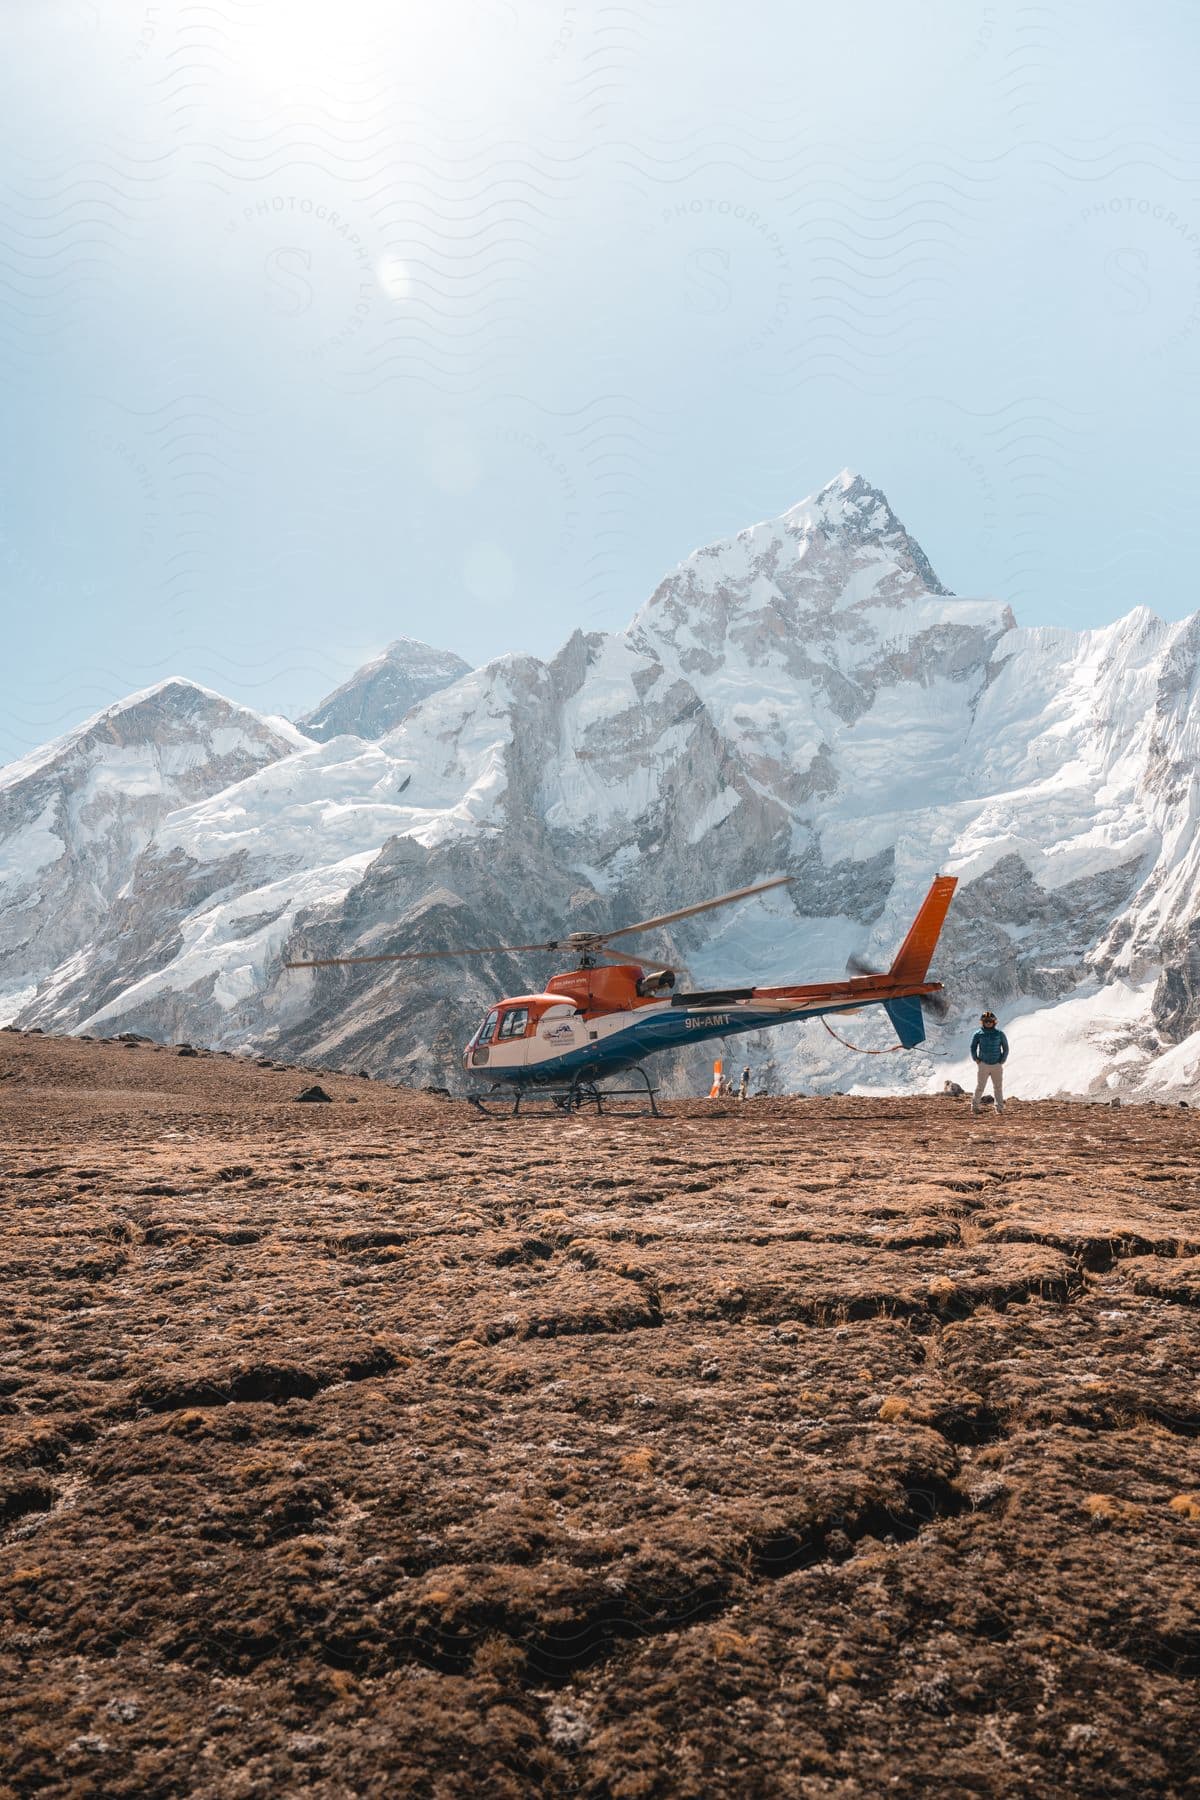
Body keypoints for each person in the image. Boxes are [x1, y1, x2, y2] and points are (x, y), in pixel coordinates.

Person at [970, 1010, 1009, 1115]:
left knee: (998, 1087)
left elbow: (1006, 1048)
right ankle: (974, 1107)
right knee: (980, 1086)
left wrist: (1002, 1060)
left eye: (990, 1021)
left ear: (994, 1022)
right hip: (983, 1064)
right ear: (982, 1022)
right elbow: (973, 1047)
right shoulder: (978, 1034)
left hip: (996, 1064)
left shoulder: (1000, 1034)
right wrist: (976, 1058)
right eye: (986, 1021)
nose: (988, 1023)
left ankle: (999, 1108)